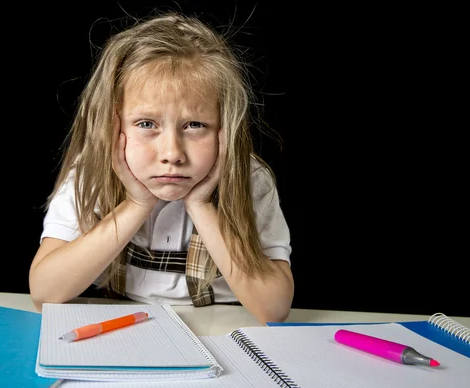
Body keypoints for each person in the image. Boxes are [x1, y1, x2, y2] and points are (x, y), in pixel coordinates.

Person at [29, 11, 294, 323]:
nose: (172, 153)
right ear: (112, 126)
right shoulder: (90, 175)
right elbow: (45, 292)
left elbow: (274, 308)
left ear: (225, 128)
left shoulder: (249, 179)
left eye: (195, 125)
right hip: (125, 330)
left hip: (223, 331)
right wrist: (137, 203)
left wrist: (200, 205)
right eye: (146, 124)